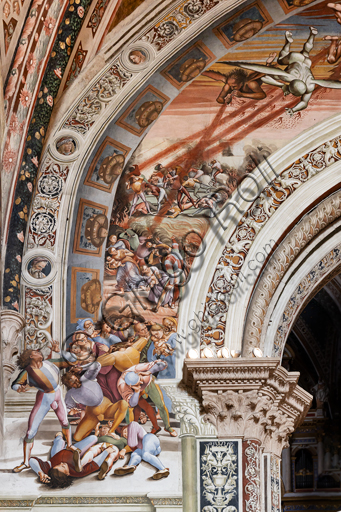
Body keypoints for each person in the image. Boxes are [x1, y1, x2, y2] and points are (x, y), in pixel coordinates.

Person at [11, 348, 72, 473]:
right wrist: (19, 388)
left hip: (58, 394)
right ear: (30, 357)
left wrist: (59, 350)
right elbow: (15, 384)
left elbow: (70, 361)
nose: (39, 353)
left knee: (65, 422)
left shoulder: (50, 363)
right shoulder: (27, 372)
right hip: (44, 398)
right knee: (30, 432)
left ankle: (70, 446)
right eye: (35, 352)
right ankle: (26, 463)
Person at [61, 364, 129, 442]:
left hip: (106, 408)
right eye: (72, 383)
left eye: (75, 380)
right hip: (92, 414)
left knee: (124, 404)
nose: (75, 383)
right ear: (69, 385)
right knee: (77, 438)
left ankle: (111, 431)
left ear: (76, 376)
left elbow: (97, 365)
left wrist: (81, 367)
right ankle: (96, 433)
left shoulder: (86, 378)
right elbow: (65, 409)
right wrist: (70, 412)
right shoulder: (71, 394)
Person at [29, 432, 117, 486]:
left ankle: (59, 437)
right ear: (67, 473)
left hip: (58, 453)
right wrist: (106, 452)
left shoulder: (51, 467)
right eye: (63, 467)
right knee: (93, 438)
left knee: (60, 441)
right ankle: (71, 446)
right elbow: (95, 464)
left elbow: (31, 460)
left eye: (58, 465)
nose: (62, 463)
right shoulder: (78, 472)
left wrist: (40, 472)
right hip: (75, 452)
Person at [117, 360, 177, 437]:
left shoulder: (136, 368)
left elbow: (163, 364)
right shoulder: (122, 386)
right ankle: (153, 427)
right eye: (138, 383)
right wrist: (137, 391)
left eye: (140, 380)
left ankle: (168, 427)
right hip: (135, 393)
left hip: (150, 384)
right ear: (130, 385)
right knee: (138, 407)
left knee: (161, 405)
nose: (141, 383)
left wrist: (149, 371)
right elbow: (132, 404)